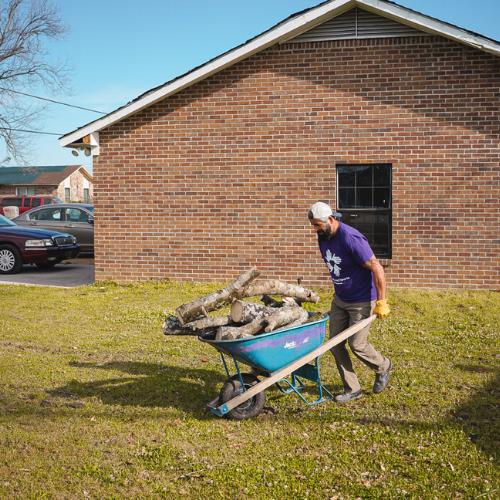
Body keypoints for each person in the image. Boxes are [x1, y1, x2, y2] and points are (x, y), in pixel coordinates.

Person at [308, 201, 392, 403]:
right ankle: (352, 388)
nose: (315, 229)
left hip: (362, 300)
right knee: (335, 344)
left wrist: (381, 301)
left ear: (330, 219)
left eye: (318, 225)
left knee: (357, 344)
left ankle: (383, 366)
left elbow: (376, 267)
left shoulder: (351, 238)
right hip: (340, 299)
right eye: (313, 226)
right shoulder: (324, 236)